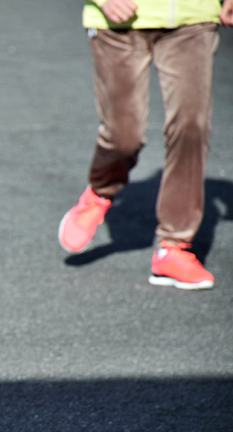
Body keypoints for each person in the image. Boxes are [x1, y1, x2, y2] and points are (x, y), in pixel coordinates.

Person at [58, 0, 233, 290]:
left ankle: (174, 248)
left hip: (193, 17)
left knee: (191, 129)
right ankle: (100, 191)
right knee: (123, 136)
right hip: (118, 18)